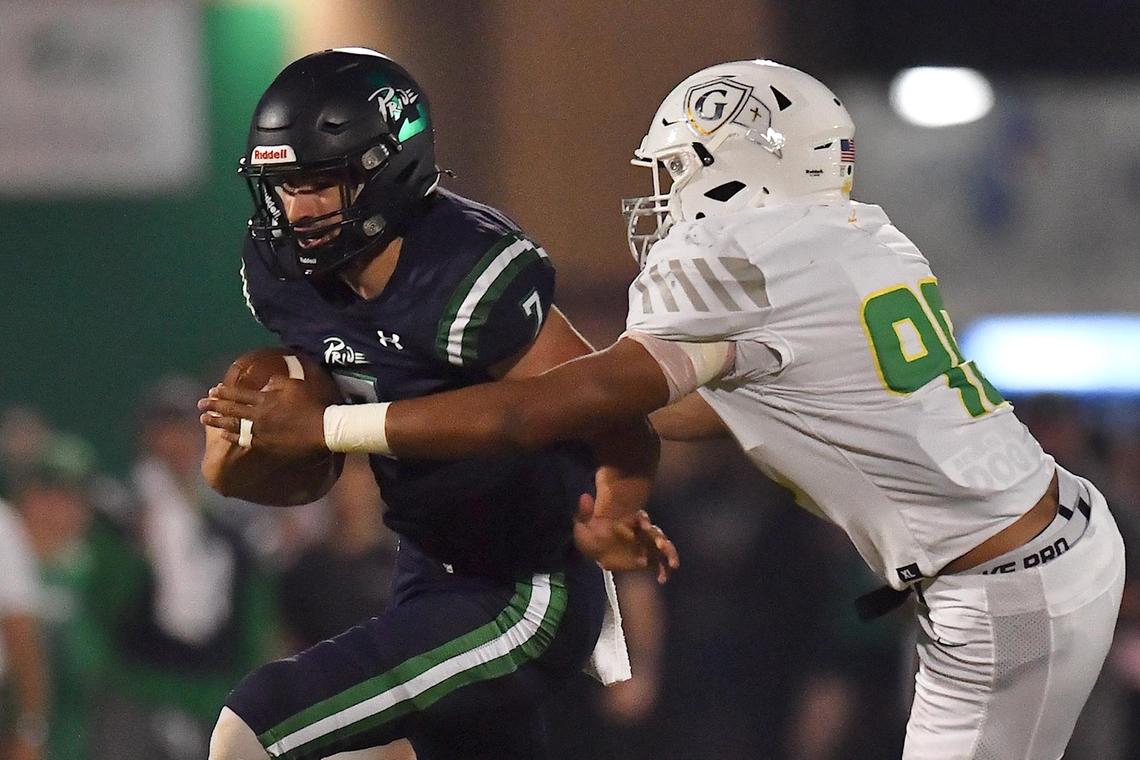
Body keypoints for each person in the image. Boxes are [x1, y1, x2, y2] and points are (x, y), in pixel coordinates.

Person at [203, 59, 1127, 758]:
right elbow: (685, 410)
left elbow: (539, 412)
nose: (666, 197)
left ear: (744, 172)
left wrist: (327, 428)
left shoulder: (738, 256)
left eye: (684, 169)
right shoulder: (853, 238)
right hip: (1047, 536)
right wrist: (620, 484)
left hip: (995, 585)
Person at [200, 48, 673, 760]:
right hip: (427, 571)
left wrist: (612, 507)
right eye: (284, 185)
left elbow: (608, 410)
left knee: (257, 724)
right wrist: (245, 451)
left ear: (388, 167)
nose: (299, 209)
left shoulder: (465, 271)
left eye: (321, 182)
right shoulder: (282, 273)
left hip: (523, 588)